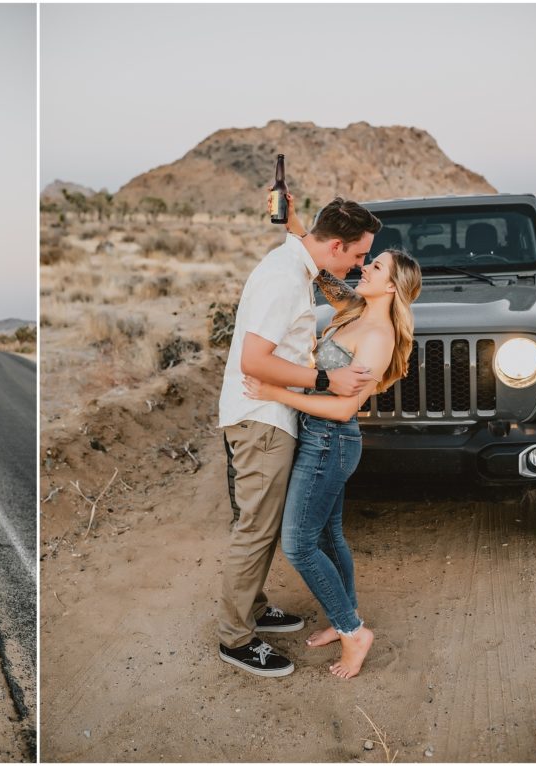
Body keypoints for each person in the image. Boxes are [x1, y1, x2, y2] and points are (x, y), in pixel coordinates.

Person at [244, 200, 422, 679]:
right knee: (329, 536)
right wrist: (296, 221)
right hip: (322, 438)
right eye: (366, 259)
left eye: (375, 266)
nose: (364, 266)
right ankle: (348, 618)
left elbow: (344, 407)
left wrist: (274, 389)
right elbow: (323, 268)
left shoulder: (379, 335)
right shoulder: (355, 307)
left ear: (392, 286)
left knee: (299, 544)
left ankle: (352, 632)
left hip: (330, 440)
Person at [216, 194, 382, 678]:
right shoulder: (284, 278)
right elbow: (254, 361)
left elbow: (332, 284)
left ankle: (254, 605)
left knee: (263, 524)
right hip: (261, 416)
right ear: (334, 245)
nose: (359, 264)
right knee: (256, 529)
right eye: (356, 255)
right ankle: (236, 637)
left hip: (273, 414)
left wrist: (294, 226)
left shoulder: (298, 265)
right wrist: (328, 381)